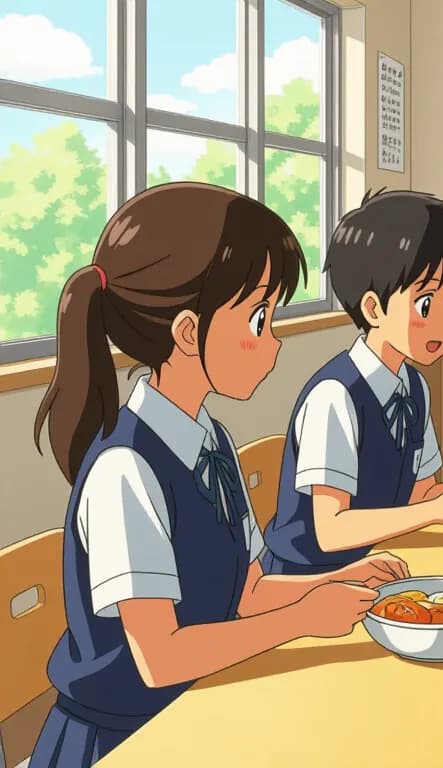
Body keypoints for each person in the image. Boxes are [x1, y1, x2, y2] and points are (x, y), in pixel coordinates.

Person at [30, 183, 394, 767]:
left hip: (199, 709)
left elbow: (246, 593)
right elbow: (160, 656)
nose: (273, 343)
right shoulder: (126, 468)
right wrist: (303, 618)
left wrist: (338, 583)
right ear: (187, 332)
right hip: (125, 742)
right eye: (257, 317)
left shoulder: (212, 441)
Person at [262, 190, 443, 575]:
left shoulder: (413, 386)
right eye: (425, 305)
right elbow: (330, 530)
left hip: (383, 561)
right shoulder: (335, 396)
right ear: (373, 308)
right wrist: (437, 510)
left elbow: (420, 496)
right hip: (310, 580)